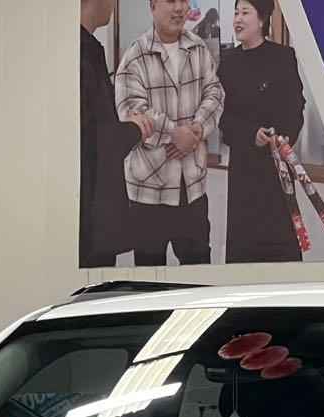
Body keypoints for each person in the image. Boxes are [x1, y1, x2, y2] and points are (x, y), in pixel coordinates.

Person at [115, 0, 225, 267]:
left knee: (198, 269)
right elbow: (131, 109)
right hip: (149, 189)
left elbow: (215, 93)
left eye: (184, 1)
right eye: (171, 1)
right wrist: (174, 135)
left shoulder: (198, 48)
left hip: (192, 186)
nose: (179, 8)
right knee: (150, 275)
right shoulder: (135, 55)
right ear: (153, 6)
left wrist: (197, 129)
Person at [219, 0, 305, 263]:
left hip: (277, 164)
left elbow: (296, 105)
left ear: (262, 19)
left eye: (245, 13)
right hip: (244, 167)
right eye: (236, 13)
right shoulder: (228, 63)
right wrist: (249, 134)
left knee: (281, 237)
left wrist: (285, 135)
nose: (238, 19)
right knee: (244, 241)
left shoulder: (283, 57)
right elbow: (220, 114)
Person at [80, 0, 147, 267]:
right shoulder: (81, 52)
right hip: (89, 208)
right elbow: (89, 140)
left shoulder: (90, 48)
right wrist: (134, 129)